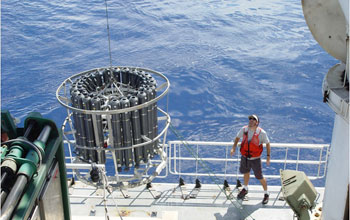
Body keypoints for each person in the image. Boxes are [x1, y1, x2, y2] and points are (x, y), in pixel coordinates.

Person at [230, 114, 271, 204]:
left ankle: (266, 193)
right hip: (245, 157)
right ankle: (245, 188)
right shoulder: (244, 129)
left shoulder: (262, 133)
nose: (251, 120)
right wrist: (233, 148)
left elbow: (268, 144)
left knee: (259, 177)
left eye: (253, 119)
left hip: (255, 159)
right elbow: (237, 138)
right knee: (246, 173)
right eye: (250, 119)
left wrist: (268, 156)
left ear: (257, 122)